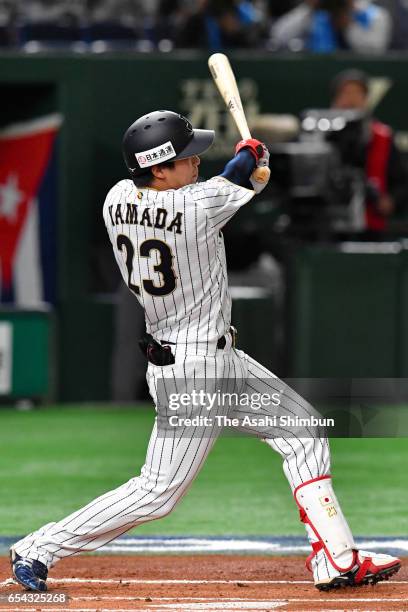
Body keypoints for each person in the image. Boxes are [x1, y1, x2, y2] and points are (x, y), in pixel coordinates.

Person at [10, 110, 401, 593]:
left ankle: (336, 558)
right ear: (158, 168)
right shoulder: (197, 206)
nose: (196, 161)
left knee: (304, 433)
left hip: (212, 359)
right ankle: (39, 547)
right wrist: (253, 160)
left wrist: (249, 174)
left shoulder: (116, 199)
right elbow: (235, 176)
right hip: (193, 371)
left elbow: (230, 184)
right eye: (185, 157)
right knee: (158, 493)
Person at [331, 69, 408, 232]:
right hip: (331, 224)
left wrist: (391, 201)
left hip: (371, 223)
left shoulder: (383, 137)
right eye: (346, 93)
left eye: (357, 94)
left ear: (366, 100)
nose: (351, 100)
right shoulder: (323, 137)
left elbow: (401, 182)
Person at [270, 0, 392, 53]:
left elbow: (375, 49)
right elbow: (278, 35)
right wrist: (309, 8)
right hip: (314, 72)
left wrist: (348, 24)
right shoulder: (313, 13)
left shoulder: (374, 15)